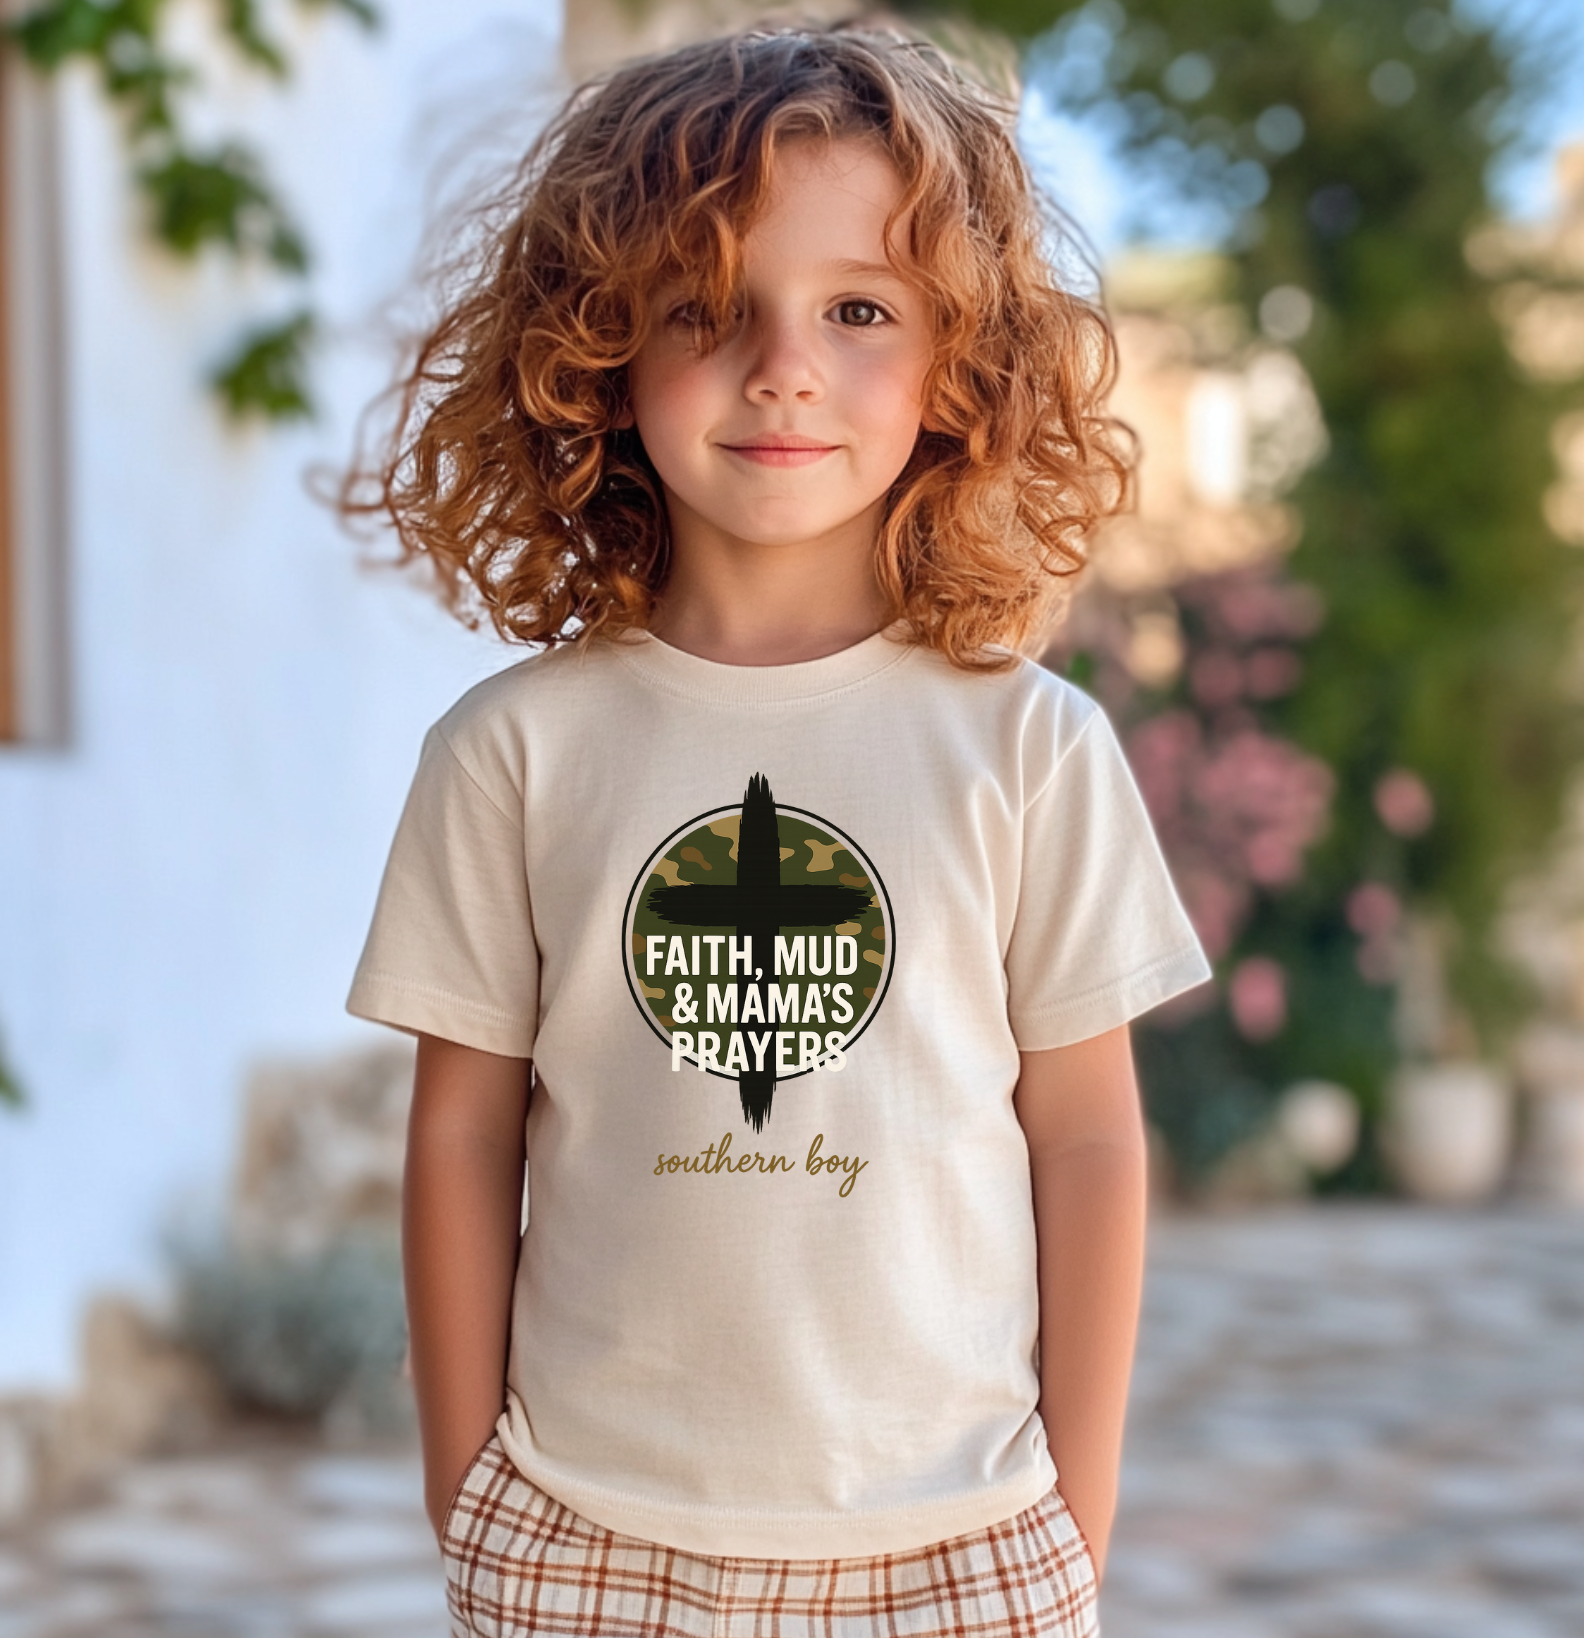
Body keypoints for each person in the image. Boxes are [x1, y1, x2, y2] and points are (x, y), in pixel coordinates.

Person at [343, 26, 1208, 1638]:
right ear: (597, 347)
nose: (782, 365)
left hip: (959, 1543)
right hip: (584, 1536)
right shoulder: (512, 752)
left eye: (858, 310)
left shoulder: (1030, 748)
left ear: (962, 362)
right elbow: (462, 1133)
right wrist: (469, 1501)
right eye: (704, 306)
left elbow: (1089, 1137)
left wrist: (1070, 1523)